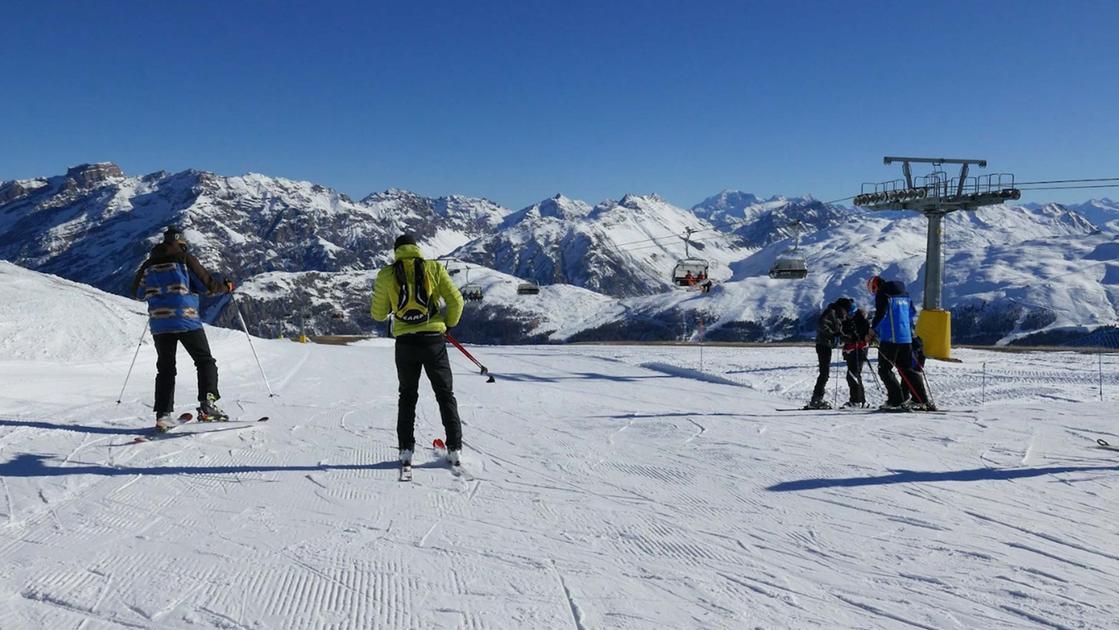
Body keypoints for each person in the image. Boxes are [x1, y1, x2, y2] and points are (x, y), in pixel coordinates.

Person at [370, 233, 466, 467]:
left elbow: (378, 314)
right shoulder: (433, 268)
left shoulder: (387, 274)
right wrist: (448, 325)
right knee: (445, 395)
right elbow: (457, 302)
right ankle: (454, 449)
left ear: (396, 251)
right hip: (433, 340)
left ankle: (405, 451)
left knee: (407, 396)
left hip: (405, 344)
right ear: (417, 248)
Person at [131, 226, 234, 430]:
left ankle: (163, 414)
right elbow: (208, 287)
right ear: (182, 243)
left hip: (160, 323)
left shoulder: (148, 265)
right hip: (186, 320)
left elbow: (138, 292)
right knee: (204, 361)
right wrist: (226, 287)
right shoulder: (186, 259)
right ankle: (208, 405)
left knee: (166, 369)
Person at [867, 275, 934, 411]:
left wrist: (872, 330)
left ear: (875, 286)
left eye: (872, 290)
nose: (873, 293)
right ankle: (921, 400)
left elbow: (881, 313)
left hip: (890, 338)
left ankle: (896, 399)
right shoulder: (905, 295)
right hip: (906, 338)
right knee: (907, 369)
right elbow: (912, 313)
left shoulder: (883, 294)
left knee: (884, 370)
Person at [806, 297, 851, 409]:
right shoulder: (831, 312)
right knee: (824, 373)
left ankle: (817, 399)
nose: (846, 313)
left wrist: (848, 338)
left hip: (826, 345)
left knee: (824, 373)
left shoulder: (836, 315)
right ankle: (816, 399)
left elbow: (838, 333)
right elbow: (822, 324)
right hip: (823, 345)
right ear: (842, 308)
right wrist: (833, 334)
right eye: (846, 310)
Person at [840, 301, 871, 408]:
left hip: (858, 350)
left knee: (853, 375)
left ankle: (857, 400)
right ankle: (859, 400)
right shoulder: (853, 320)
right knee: (853, 375)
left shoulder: (861, 321)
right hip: (854, 350)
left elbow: (862, 337)